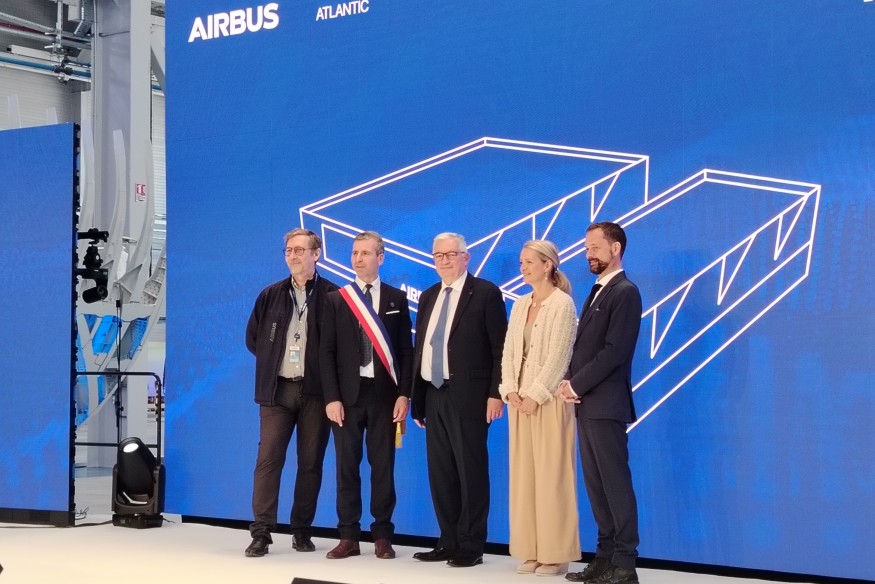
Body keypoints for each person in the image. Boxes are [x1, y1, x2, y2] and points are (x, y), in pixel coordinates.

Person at [410, 232, 507, 568]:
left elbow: (500, 348)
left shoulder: (485, 293)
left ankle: (471, 544)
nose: (444, 260)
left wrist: (495, 393)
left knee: (470, 470)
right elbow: (421, 348)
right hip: (432, 393)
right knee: (441, 473)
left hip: (470, 396)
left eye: (451, 254)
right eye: (438, 255)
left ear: (466, 257)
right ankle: (448, 541)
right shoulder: (428, 296)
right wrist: (417, 397)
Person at [244, 228, 338, 557]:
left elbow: (340, 347)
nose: (293, 256)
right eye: (289, 250)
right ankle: (261, 532)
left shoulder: (333, 296)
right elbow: (254, 339)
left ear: (316, 254)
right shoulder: (270, 294)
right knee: (268, 460)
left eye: (300, 250)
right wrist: (275, 361)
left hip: (315, 393)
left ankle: (301, 530)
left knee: (310, 464)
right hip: (277, 391)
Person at [320, 231, 414, 560]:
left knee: (383, 467)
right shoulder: (337, 299)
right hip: (346, 398)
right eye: (354, 253)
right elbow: (326, 352)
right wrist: (331, 398)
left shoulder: (396, 299)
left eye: (365, 253)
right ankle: (348, 536)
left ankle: (382, 535)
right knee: (346, 467)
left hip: (384, 396)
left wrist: (404, 394)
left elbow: (406, 351)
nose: (358, 259)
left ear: (380, 257)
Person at [558, 222, 642, 584]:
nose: (588, 254)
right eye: (586, 248)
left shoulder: (625, 292)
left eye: (595, 247)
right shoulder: (599, 290)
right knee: (596, 486)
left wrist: (576, 383)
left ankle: (624, 564)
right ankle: (604, 558)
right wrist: (570, 382)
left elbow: (614, 351)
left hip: (605, 405)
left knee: (614, 485)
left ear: (616, 248)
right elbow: (585, 347)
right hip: (588, 404)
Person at [500, 240, 580, 577]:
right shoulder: (520, 304)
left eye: (529, 262)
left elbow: (560, 355)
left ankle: (556, 553)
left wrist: (535, 393)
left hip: (548, 403)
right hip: (519, 403)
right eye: (521, 262)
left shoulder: (562, 304)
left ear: (548, 265)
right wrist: (509, 390)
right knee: (525, 478)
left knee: (552, 477)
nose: (523, 268)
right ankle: (531, 550)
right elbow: (509, 351)